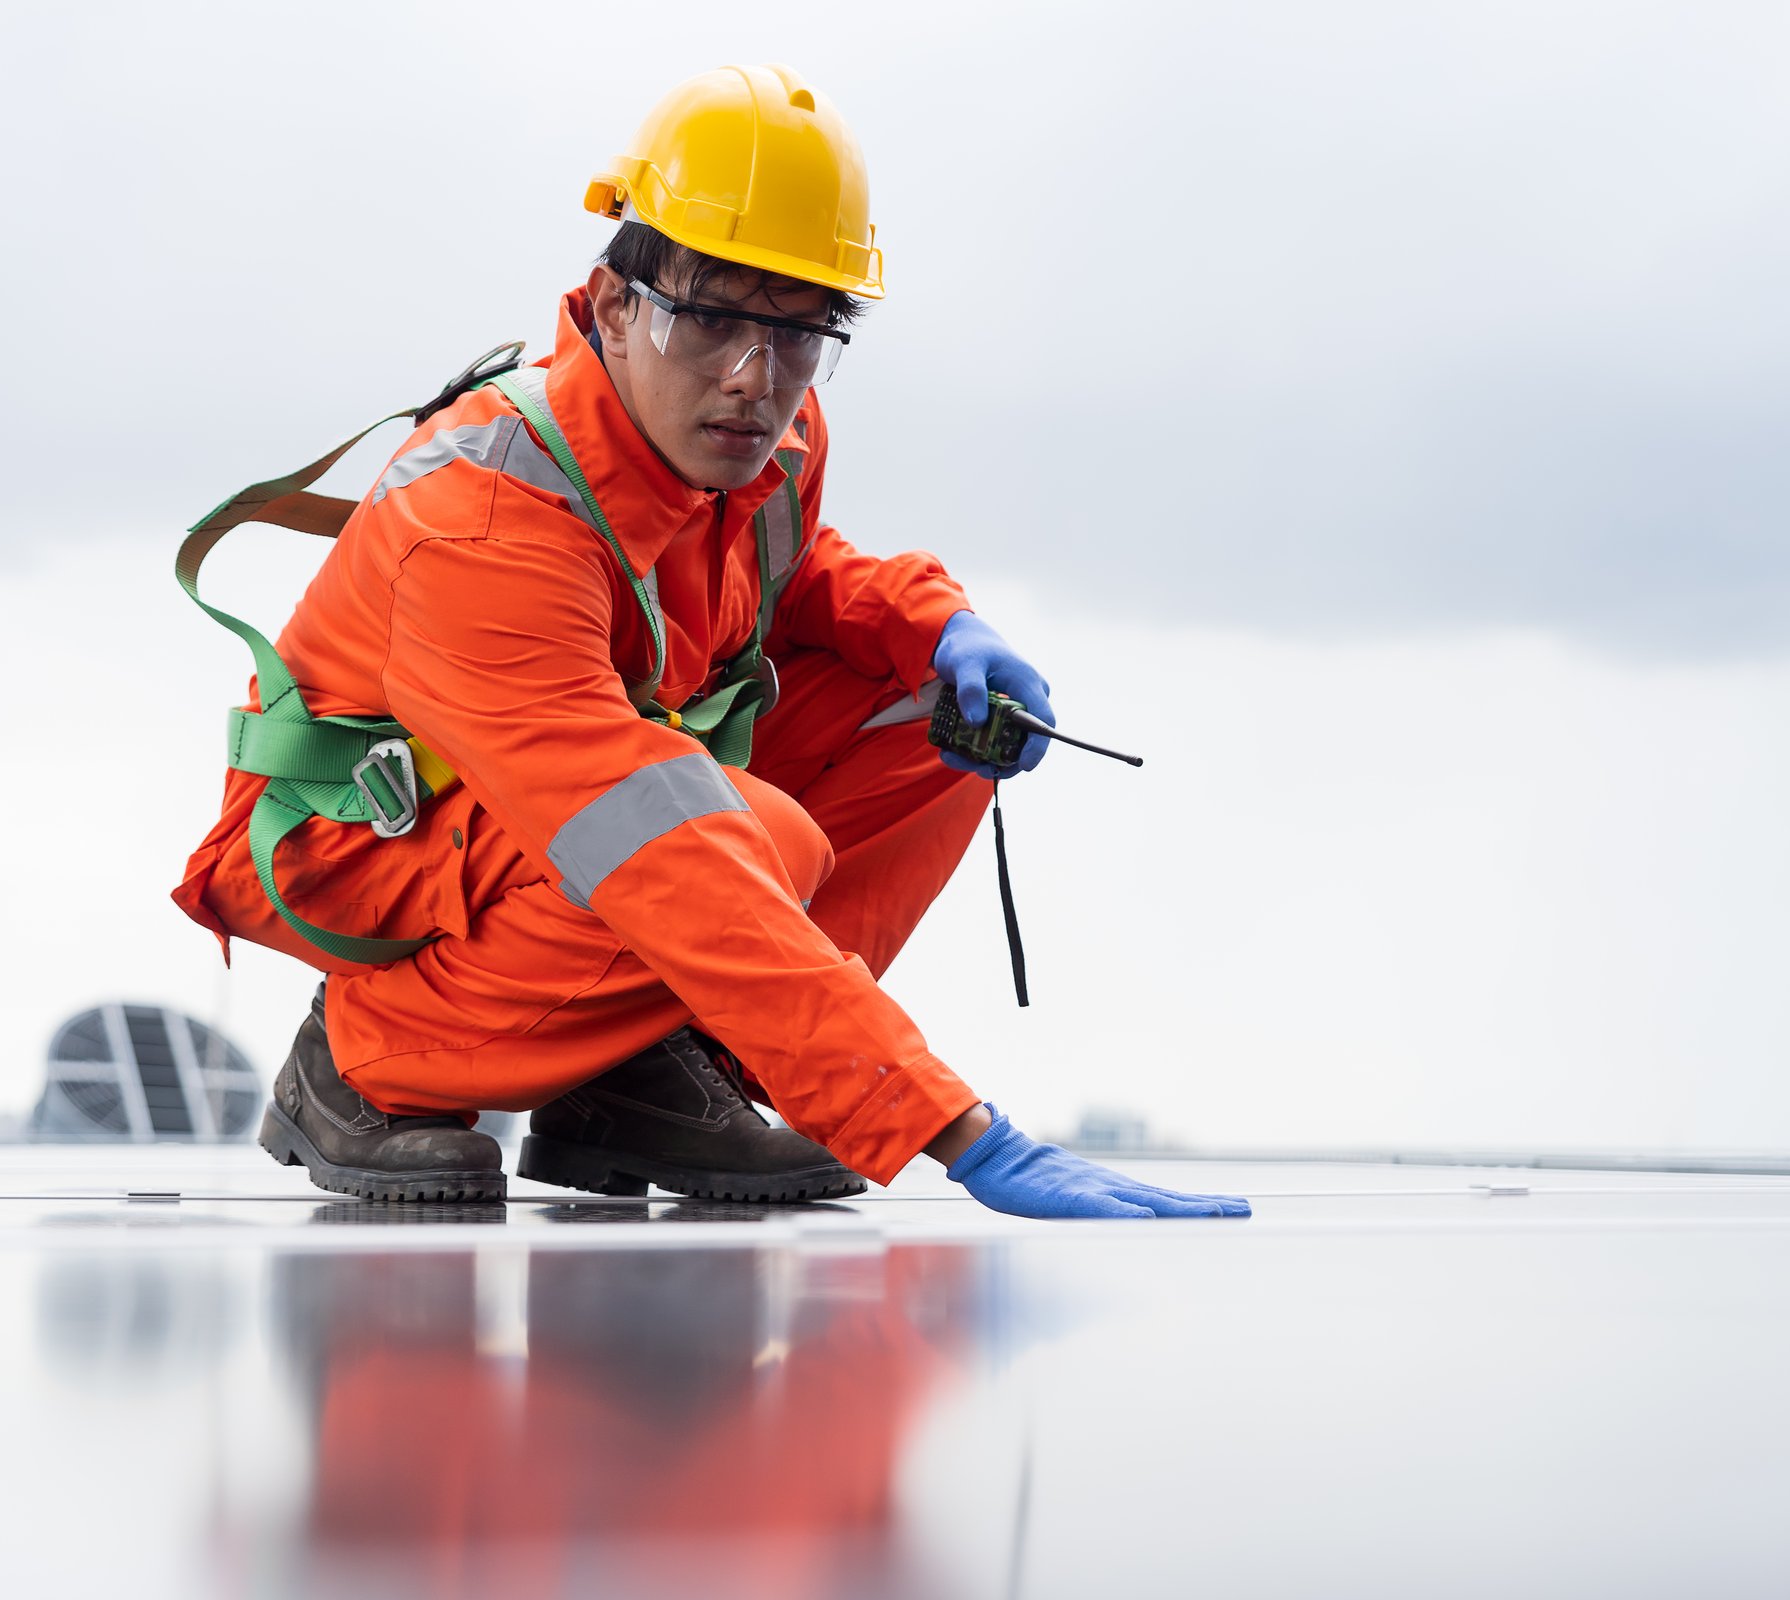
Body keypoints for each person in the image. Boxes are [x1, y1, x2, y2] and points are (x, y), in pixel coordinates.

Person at [172, 64, 1250, 1221]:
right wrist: (949, 1125)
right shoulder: (484, 520)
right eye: (714, 317)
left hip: (578, 817)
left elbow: (778, 578)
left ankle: (661, 1074)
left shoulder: (762, 440)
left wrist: (937, 626)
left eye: (797, 333)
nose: (755, 377)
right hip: (363, 846)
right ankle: (366, 1057)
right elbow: (651, 845)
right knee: (744, 833)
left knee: (936, 716)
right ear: (619, 302)